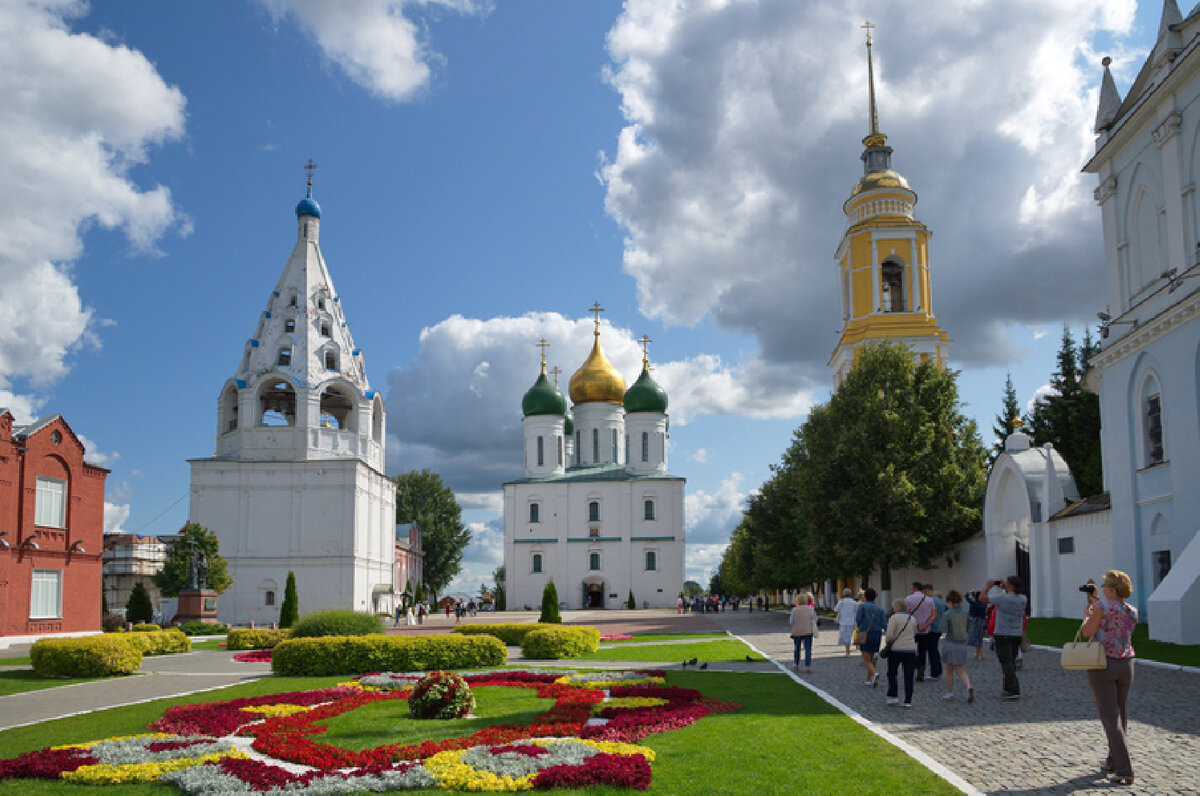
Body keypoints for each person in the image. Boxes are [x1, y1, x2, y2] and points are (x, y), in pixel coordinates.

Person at [1080, 570, 1138, 786]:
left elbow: (1087, 631)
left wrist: (1089, 613)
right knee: (1120, 713)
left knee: (1109, 716)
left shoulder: (1101, 608)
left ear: (1111, 589)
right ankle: (1113, 760)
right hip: (1126, 663)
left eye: (1105, 585)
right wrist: (1095, 604)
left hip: (1103, 663)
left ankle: (1124, 769)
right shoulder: (1132, 610)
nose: (1102, 587)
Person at [980, 575, 1027, 699]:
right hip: (1016, 634)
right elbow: (1012, 594)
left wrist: (988, 586)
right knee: (1010, 661)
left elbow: (982, 598)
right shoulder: (1023, 598)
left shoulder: (1002, 598)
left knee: (1006, 662)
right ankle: (1007, 687)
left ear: (1010, 585)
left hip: (1003, 633)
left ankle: (1013, 689)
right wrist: (1005, 587)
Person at [883, 597, 918, 707]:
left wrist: (888, 642)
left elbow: (889, 635)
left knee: (892, 673)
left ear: (895, 608)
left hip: (896, 649)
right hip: (910, 649)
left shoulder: (894, 618)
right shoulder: (912, 618)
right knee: (909, 675)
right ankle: (908, 700)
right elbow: (914, 633)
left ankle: (893, 696)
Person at [940, 590, 973, 703]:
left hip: (949, 643)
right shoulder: (966, 613)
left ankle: (950, 692)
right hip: (962, 644)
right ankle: (968, 686)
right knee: (961, 670)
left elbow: (944, 629)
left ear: (949, 602)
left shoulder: (947, 614)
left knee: (949, 670)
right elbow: (969, 629)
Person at [855, 587, 886, 687]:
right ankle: (868, 679)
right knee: (871, 657)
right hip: (877, 634)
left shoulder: (862, 607)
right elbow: (885, 624)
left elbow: (858, 619)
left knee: (866, 659)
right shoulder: (880, 608)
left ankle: (874, 674)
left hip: (865, 633)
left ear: (866, 596)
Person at [915, 584, 944, 682]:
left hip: (931, 629)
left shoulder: (930, 601)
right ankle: (938, 670)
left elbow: (929, 616)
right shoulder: (939, 600)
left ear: (927, 591)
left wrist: (923, 625)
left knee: (931, 651)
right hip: (938, 628)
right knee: (934, 650)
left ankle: (934, 673)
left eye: (923, 592)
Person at [904, 582, 933, 682]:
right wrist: (925, 625)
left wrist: (916, 625)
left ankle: (916, 666)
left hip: (912, 629)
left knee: (910, 650)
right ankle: (922, 672)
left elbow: (907, 614)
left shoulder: (908, 599)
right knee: (922, 651)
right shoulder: (929, 600)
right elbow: (934, 615)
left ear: (914, 588)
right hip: (925, 630)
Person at [788, 592, 818, 673]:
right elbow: (815, 619)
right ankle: (808, 666)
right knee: (808, 649)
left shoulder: (794, 610)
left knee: (797, 649)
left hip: (797, 632)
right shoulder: (810, 609)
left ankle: (796, 664)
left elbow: (791, 621)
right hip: (808, 631)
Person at [964, 589, 988, 659]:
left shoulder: (973, 603)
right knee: (979, 637)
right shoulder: (984, 605)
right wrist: (974, 595)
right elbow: (977, 600)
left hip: (974, 621)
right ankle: (977, 654)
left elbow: (966, 596)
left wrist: (970, 592)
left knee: (975, 637)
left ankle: (981, 654)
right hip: (981, 622)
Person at [834, 588, 857, 656]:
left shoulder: (841, 602)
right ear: (850, 594)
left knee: (844, 636)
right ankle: (848, 651)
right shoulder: (854, 602)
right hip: (851, 621)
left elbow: (835, 610)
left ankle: (847, 651)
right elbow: (856, 611)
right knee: (849, 636)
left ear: (843, 594)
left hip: (843, 621)